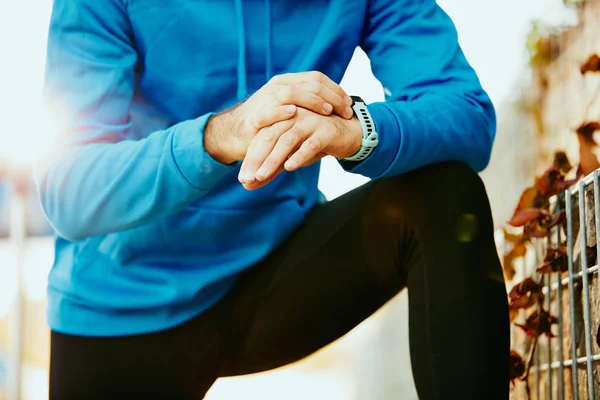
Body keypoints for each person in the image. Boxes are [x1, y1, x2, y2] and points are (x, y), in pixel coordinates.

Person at [38, 0, 509, 398]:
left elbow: (467, 113)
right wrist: (219, 136)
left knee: (443, 195)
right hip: (123, 310)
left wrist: (357, 131)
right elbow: (68, 191)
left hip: (272, 278)